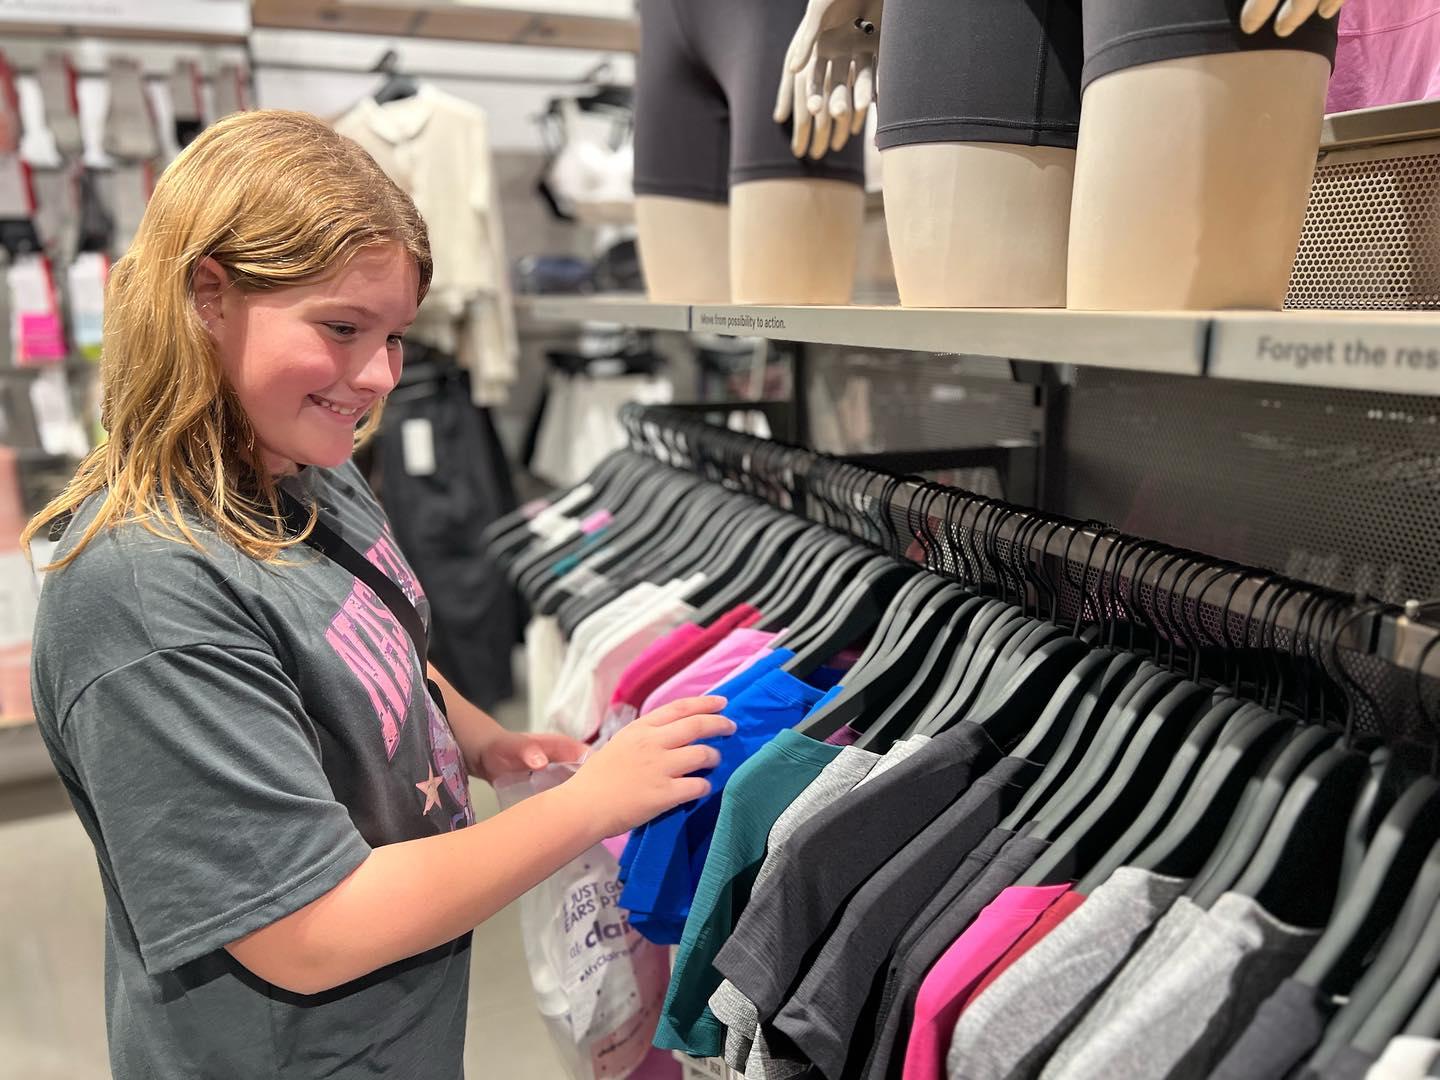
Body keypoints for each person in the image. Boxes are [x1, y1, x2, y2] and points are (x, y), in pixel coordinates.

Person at [23, 109, 732, 1079]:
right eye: (343, 328)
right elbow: (308, 928)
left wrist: (481, 738)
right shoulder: (145, 594)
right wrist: (587, 807)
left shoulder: (299, 461)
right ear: (206, 295)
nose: (377, 377)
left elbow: (363, 644)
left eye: (395, 335)